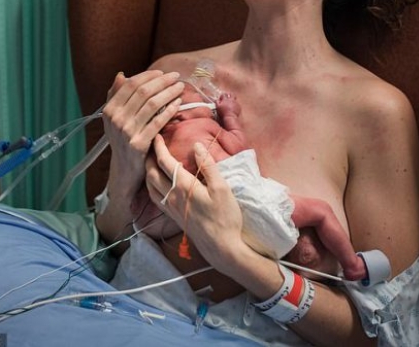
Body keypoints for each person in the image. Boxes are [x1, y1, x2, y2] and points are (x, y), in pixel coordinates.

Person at [97, 0, 419, 346]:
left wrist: (236, 256)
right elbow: (108, 237)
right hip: (120, 319)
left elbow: (382, 334)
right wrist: (124, 166)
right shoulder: (173, 76)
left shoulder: (374, 113)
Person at [131, 78, 370, 284]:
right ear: (181, 113)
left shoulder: (160, 150)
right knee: (321, 212)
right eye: (200, 96)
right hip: (251, 202)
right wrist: (229, 115)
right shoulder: (200, 126)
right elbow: (239, 147)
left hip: (225, 231)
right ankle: (352, 265)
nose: (209, 102)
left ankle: (292, 270)